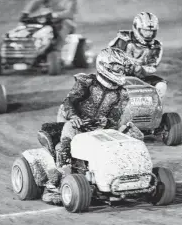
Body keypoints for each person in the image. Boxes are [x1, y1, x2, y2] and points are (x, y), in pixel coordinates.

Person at [39, 48, 144, 204]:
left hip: (101, 127)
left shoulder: (122, 93)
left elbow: (115, 117)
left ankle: (130, 174)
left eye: (123, 68)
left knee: (136, 135)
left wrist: (109, 123)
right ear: (105, 65)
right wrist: (73, 116)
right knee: (65, 143)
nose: (121, 70)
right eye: (117, 67)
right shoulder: (86, 82)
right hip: (76, 121)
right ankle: (55, 184)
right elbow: (69, 102)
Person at [108, 12, 168, 102]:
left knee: (161, 85)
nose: (148, 34)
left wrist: (139, 68)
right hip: (118, 76)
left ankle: (152, 111)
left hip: (141, 78)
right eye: (145, 31)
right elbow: (110, 56)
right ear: (136, 28)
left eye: (151, 31)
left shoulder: (156, 46)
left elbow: (152, 67)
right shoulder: (123, 39)